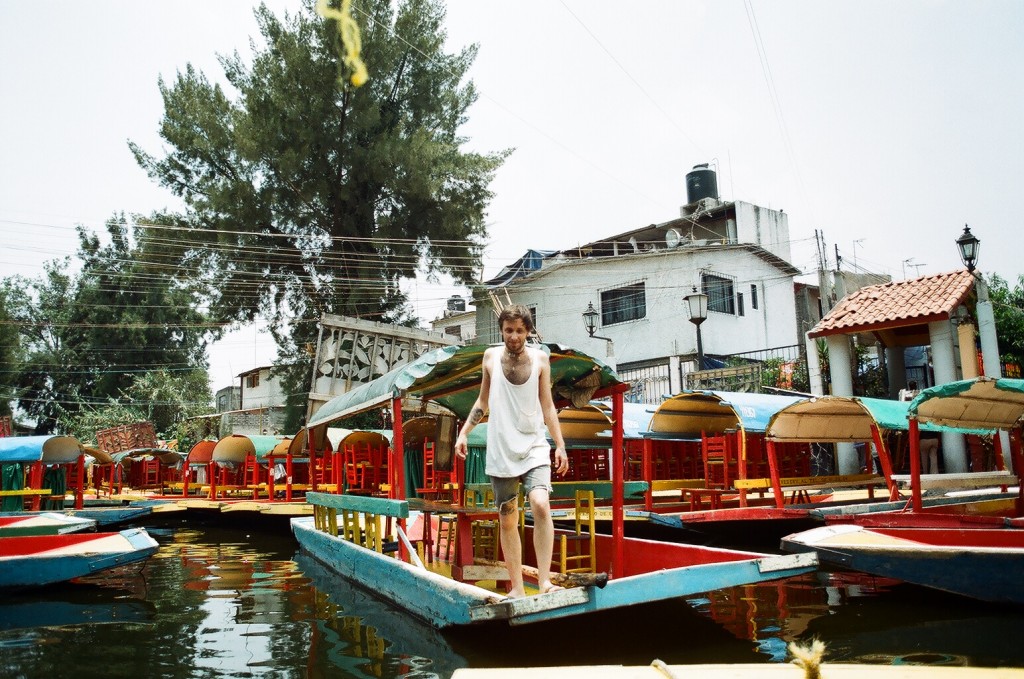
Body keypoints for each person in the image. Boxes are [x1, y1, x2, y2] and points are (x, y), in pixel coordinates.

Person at [454, 304, 568, 598]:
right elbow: (482, 402)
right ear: (502, 330)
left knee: (540, 503)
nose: (514, 336)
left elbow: (547, 405)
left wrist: (560, 445)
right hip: (502, 447)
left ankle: (544, 582)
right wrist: (464, 432)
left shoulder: (541, 359)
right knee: (507, 516)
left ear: (528, 331)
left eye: (519, 330)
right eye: (508, 330)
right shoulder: (490, 357)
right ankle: (517, 587)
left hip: (533, 445)